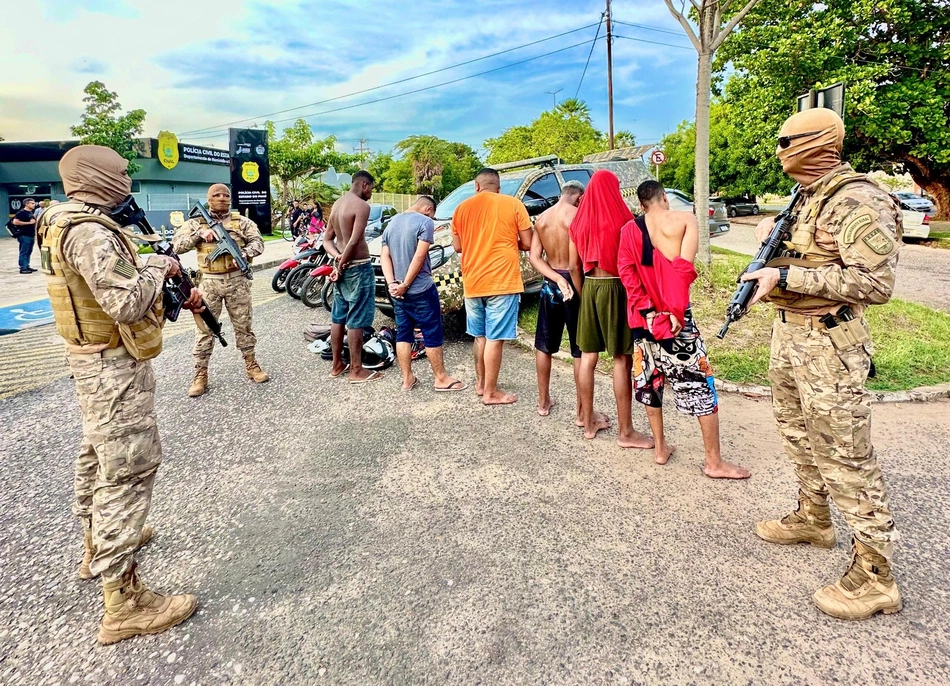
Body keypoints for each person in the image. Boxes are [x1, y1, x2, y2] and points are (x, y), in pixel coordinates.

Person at [741, 108, 903, 620]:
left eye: (787, 140)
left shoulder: (858, 199)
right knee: (797, 435)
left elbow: (875, 284)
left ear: (814, 144)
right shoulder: (807, 198)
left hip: (830, 344)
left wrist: (789, 277)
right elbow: (807, 255)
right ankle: (814, 518)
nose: (780, 149)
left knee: (846, 455)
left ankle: (876, 576)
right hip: (790, 337)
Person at [37, 144, 200, 644]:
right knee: (129, 467)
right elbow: (127, 302)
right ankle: (123, 603)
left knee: (98, 453)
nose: (128, 177)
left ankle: (96, 542)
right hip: (112, 367)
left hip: (89, 358)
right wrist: (160, 268)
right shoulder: (88, 231)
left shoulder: (56, 219)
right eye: (122, 171)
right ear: (94, 175)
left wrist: (144, 259)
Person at [618, 181, 750, 480]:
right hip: (678, 322)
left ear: (641, 204)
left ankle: (660, 447)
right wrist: (674, 312)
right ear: (664, 198)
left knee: (650, 381)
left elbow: (627, 274)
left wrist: (649, 312)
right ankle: (713, 462)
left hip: (644, 321)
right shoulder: (685, 220)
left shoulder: (629, 230)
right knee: (699, 384)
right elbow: (683, 269)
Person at [569, 170, 653, 448]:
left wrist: (584, 295)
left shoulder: (579, 220)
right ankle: (625, 432)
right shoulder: (625, 220)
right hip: (618, 288)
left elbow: (573, 266)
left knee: (587, 355)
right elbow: (638, 263)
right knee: (621, 358)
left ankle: (588, 422)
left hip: (591, 286)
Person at [172, 184, 269, 397]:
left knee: (243, 325)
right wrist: (200, 234)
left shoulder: (242, 222)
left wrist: (243, 254)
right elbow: (177, 246)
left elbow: (258, 243)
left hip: (237, 282)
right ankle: (200, 373)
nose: (222, 198)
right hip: (208, 283)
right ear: (208, 199)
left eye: (226, 195)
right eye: (216, 195)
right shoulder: (196, 223)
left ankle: (251, 364)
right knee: (205, 330)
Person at [529, 180, 610, 428]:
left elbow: (534, 257)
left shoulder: (542, 218)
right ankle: (581, 413)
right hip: (574, 283)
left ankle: (544, 403)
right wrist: (580, 292)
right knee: (580, 349)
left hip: (550, 286)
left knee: (544, 344)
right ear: (580, 196)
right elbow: (576, 265)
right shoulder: (577, 216)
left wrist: (554, 278)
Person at [451, 167, 532, 405]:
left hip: (473, 281)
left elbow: (458, 246)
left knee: (480, 336)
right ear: (498, 187)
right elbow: (527, 242)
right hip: (502, 281)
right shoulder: (513, 204)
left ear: (476, 187)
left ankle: (480, 384)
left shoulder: (461, 209)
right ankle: (491, 392)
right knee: (495, 338)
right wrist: (508, 239)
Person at [380, 195, 465, 392]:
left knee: (404, 333)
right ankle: (441, 378)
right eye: (433, 215)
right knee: (431, 332)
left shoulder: (391, 223)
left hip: (397, 291)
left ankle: (407, 379)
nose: (433, 219)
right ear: (428, 209)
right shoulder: (425, 222)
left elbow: (386, 256)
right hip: (420, 289)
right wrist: (407, 284)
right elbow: (420, 255)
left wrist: (393, 283)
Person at [324, 171, 382, 383]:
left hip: (341, 267)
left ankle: (337, 364)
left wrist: (337, 259)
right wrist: (342, 263)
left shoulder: (338, 204)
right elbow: (355, 241)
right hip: (357, 268)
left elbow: (327, 240)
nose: (371, 194)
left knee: (338, 316)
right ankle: (356, 370)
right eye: (371, 188)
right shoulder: (361, 206)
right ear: (364, 185)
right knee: (356, 318)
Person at [11, 197, 37, 273]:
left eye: (34, 203)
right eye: (32, 203)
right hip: (24, 235)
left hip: (30, 235)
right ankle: (23, 268)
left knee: (29, 251)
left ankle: (27, 266)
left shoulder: (30, 212)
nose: (34, 205)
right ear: (26, 204)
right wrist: (29, 223)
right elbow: (15, 222)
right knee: (24, 251)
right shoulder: (21, 212)